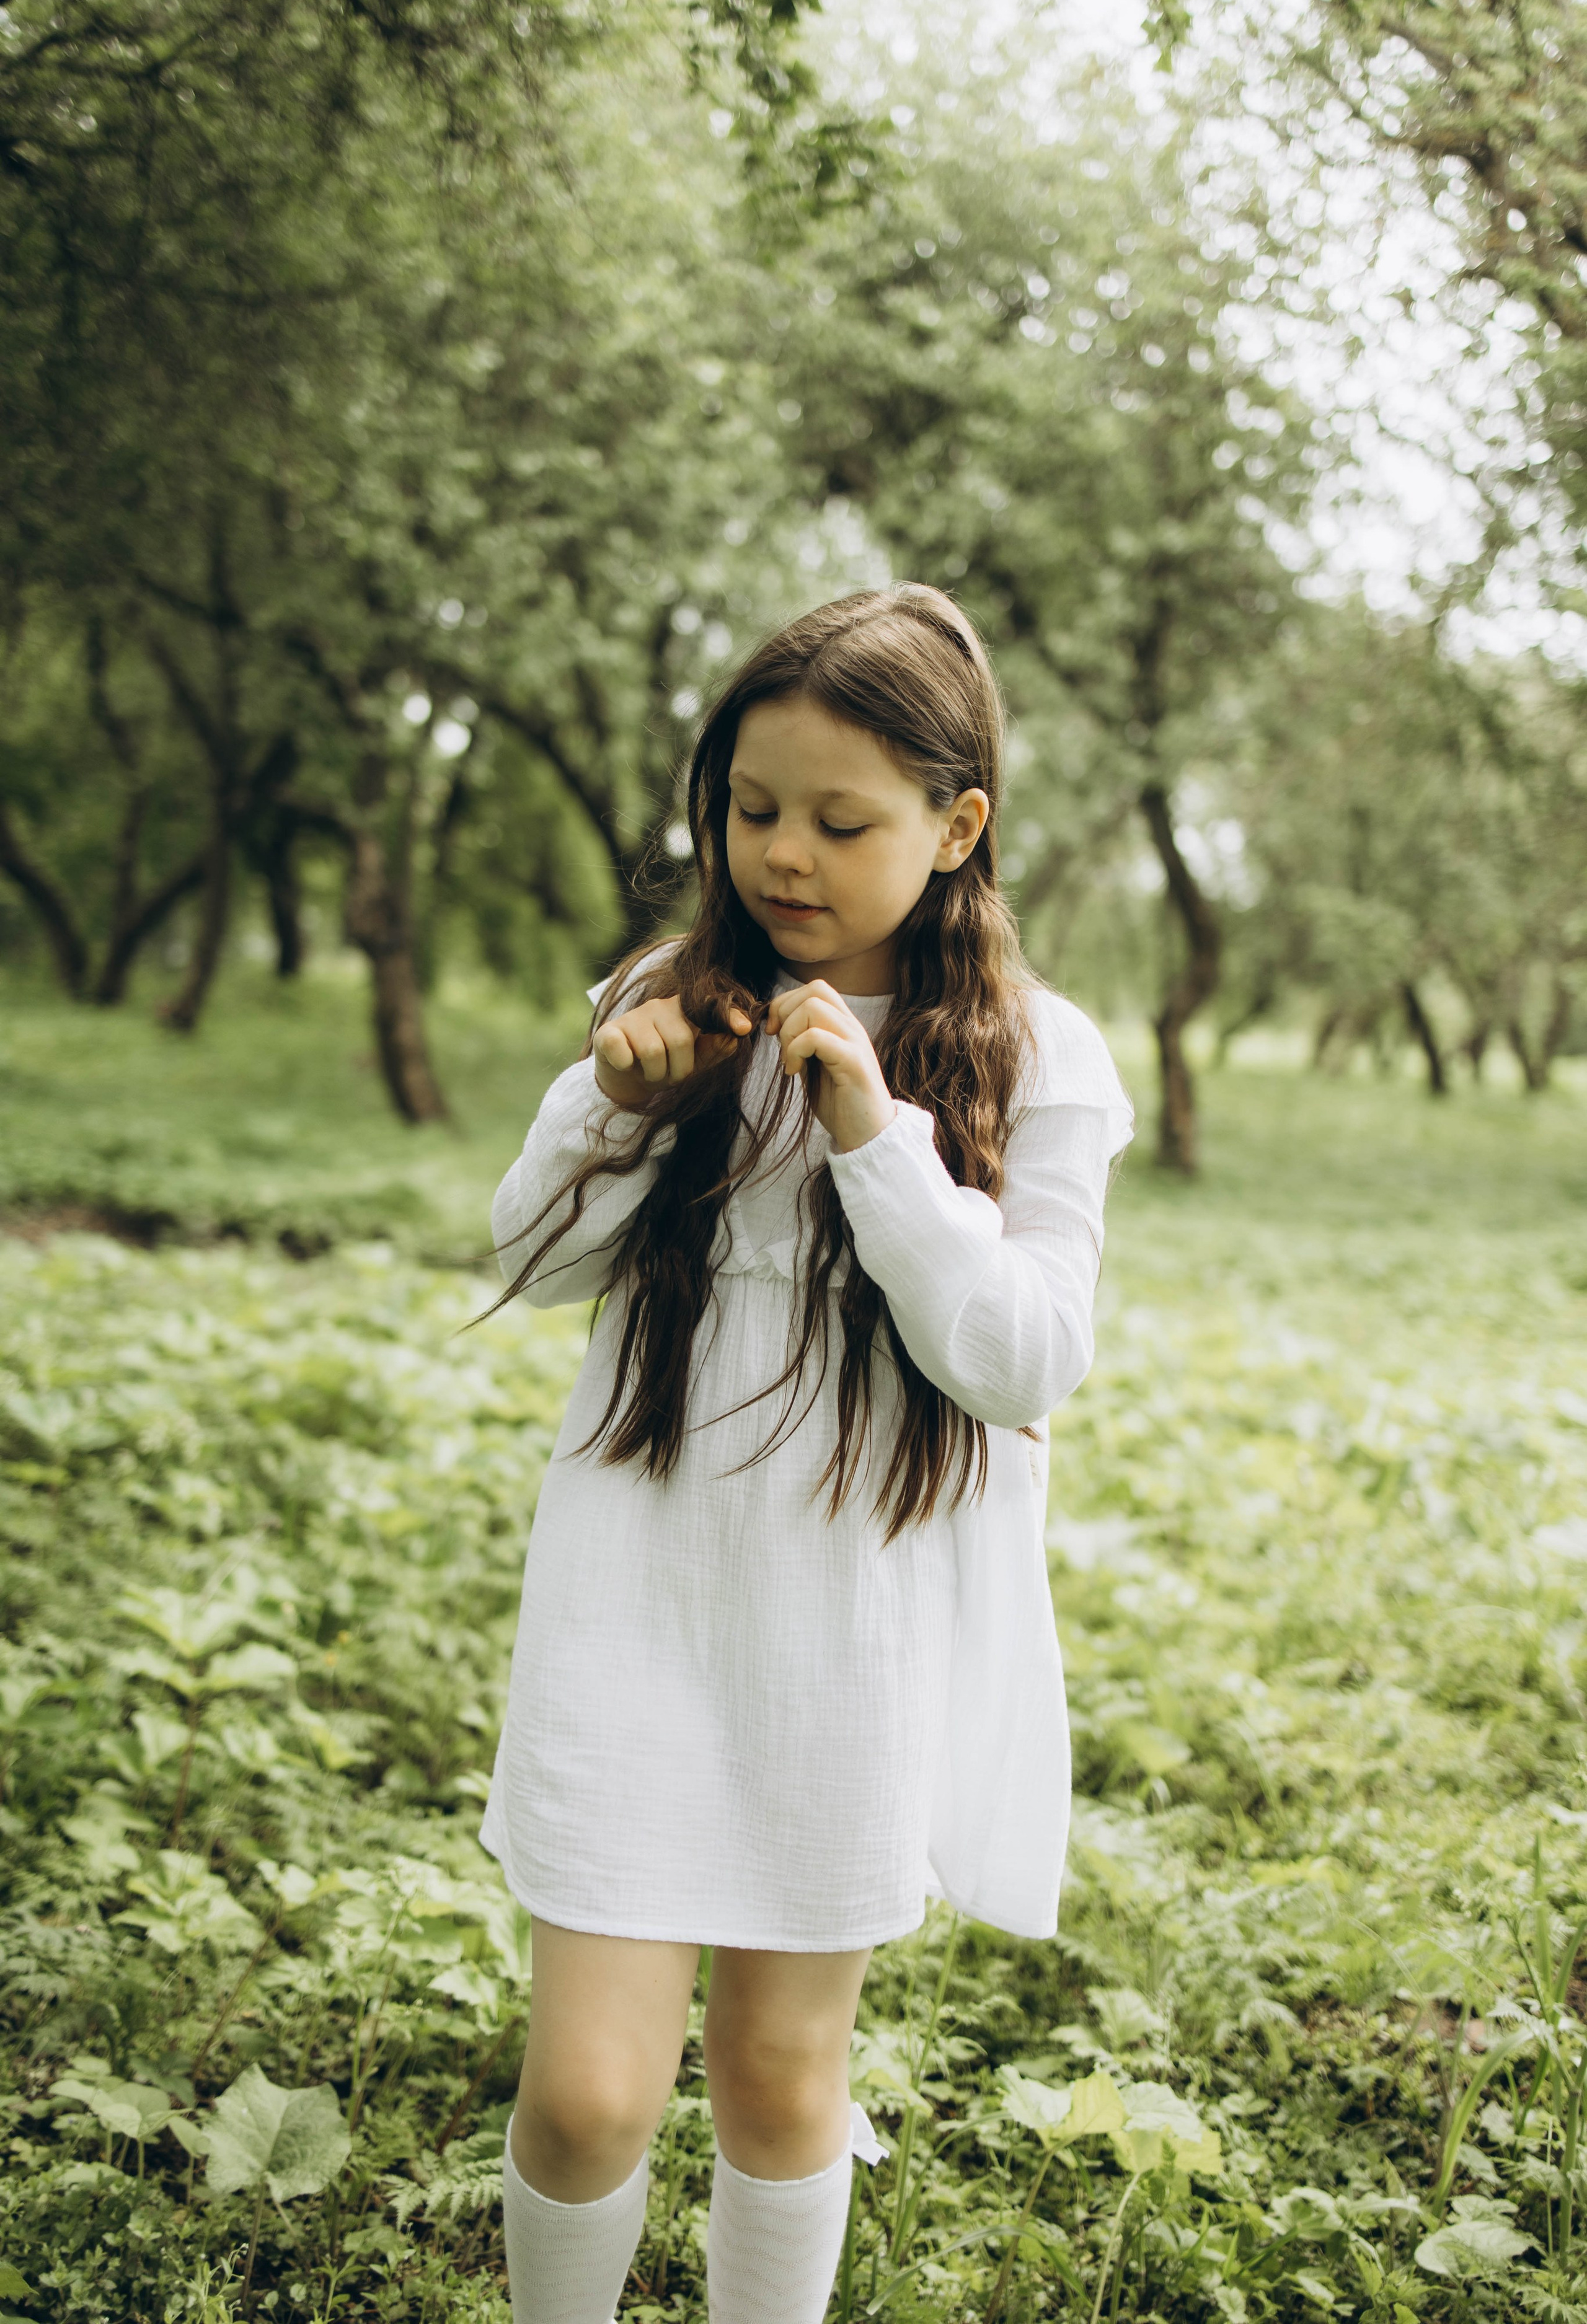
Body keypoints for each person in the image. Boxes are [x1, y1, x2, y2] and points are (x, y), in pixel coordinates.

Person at [481, 586, 1134, 2324]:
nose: (783, 856)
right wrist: (618, 1104)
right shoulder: (671, 999)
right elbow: (530, 1259)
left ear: (956, 825)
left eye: (842, 823)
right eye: (751, 808)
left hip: (853, 1622)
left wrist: (875, 1140)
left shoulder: (1036, 1054)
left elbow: (1025, 1356)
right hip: (639, 1583)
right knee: (588, 2096)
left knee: (780, 2082)